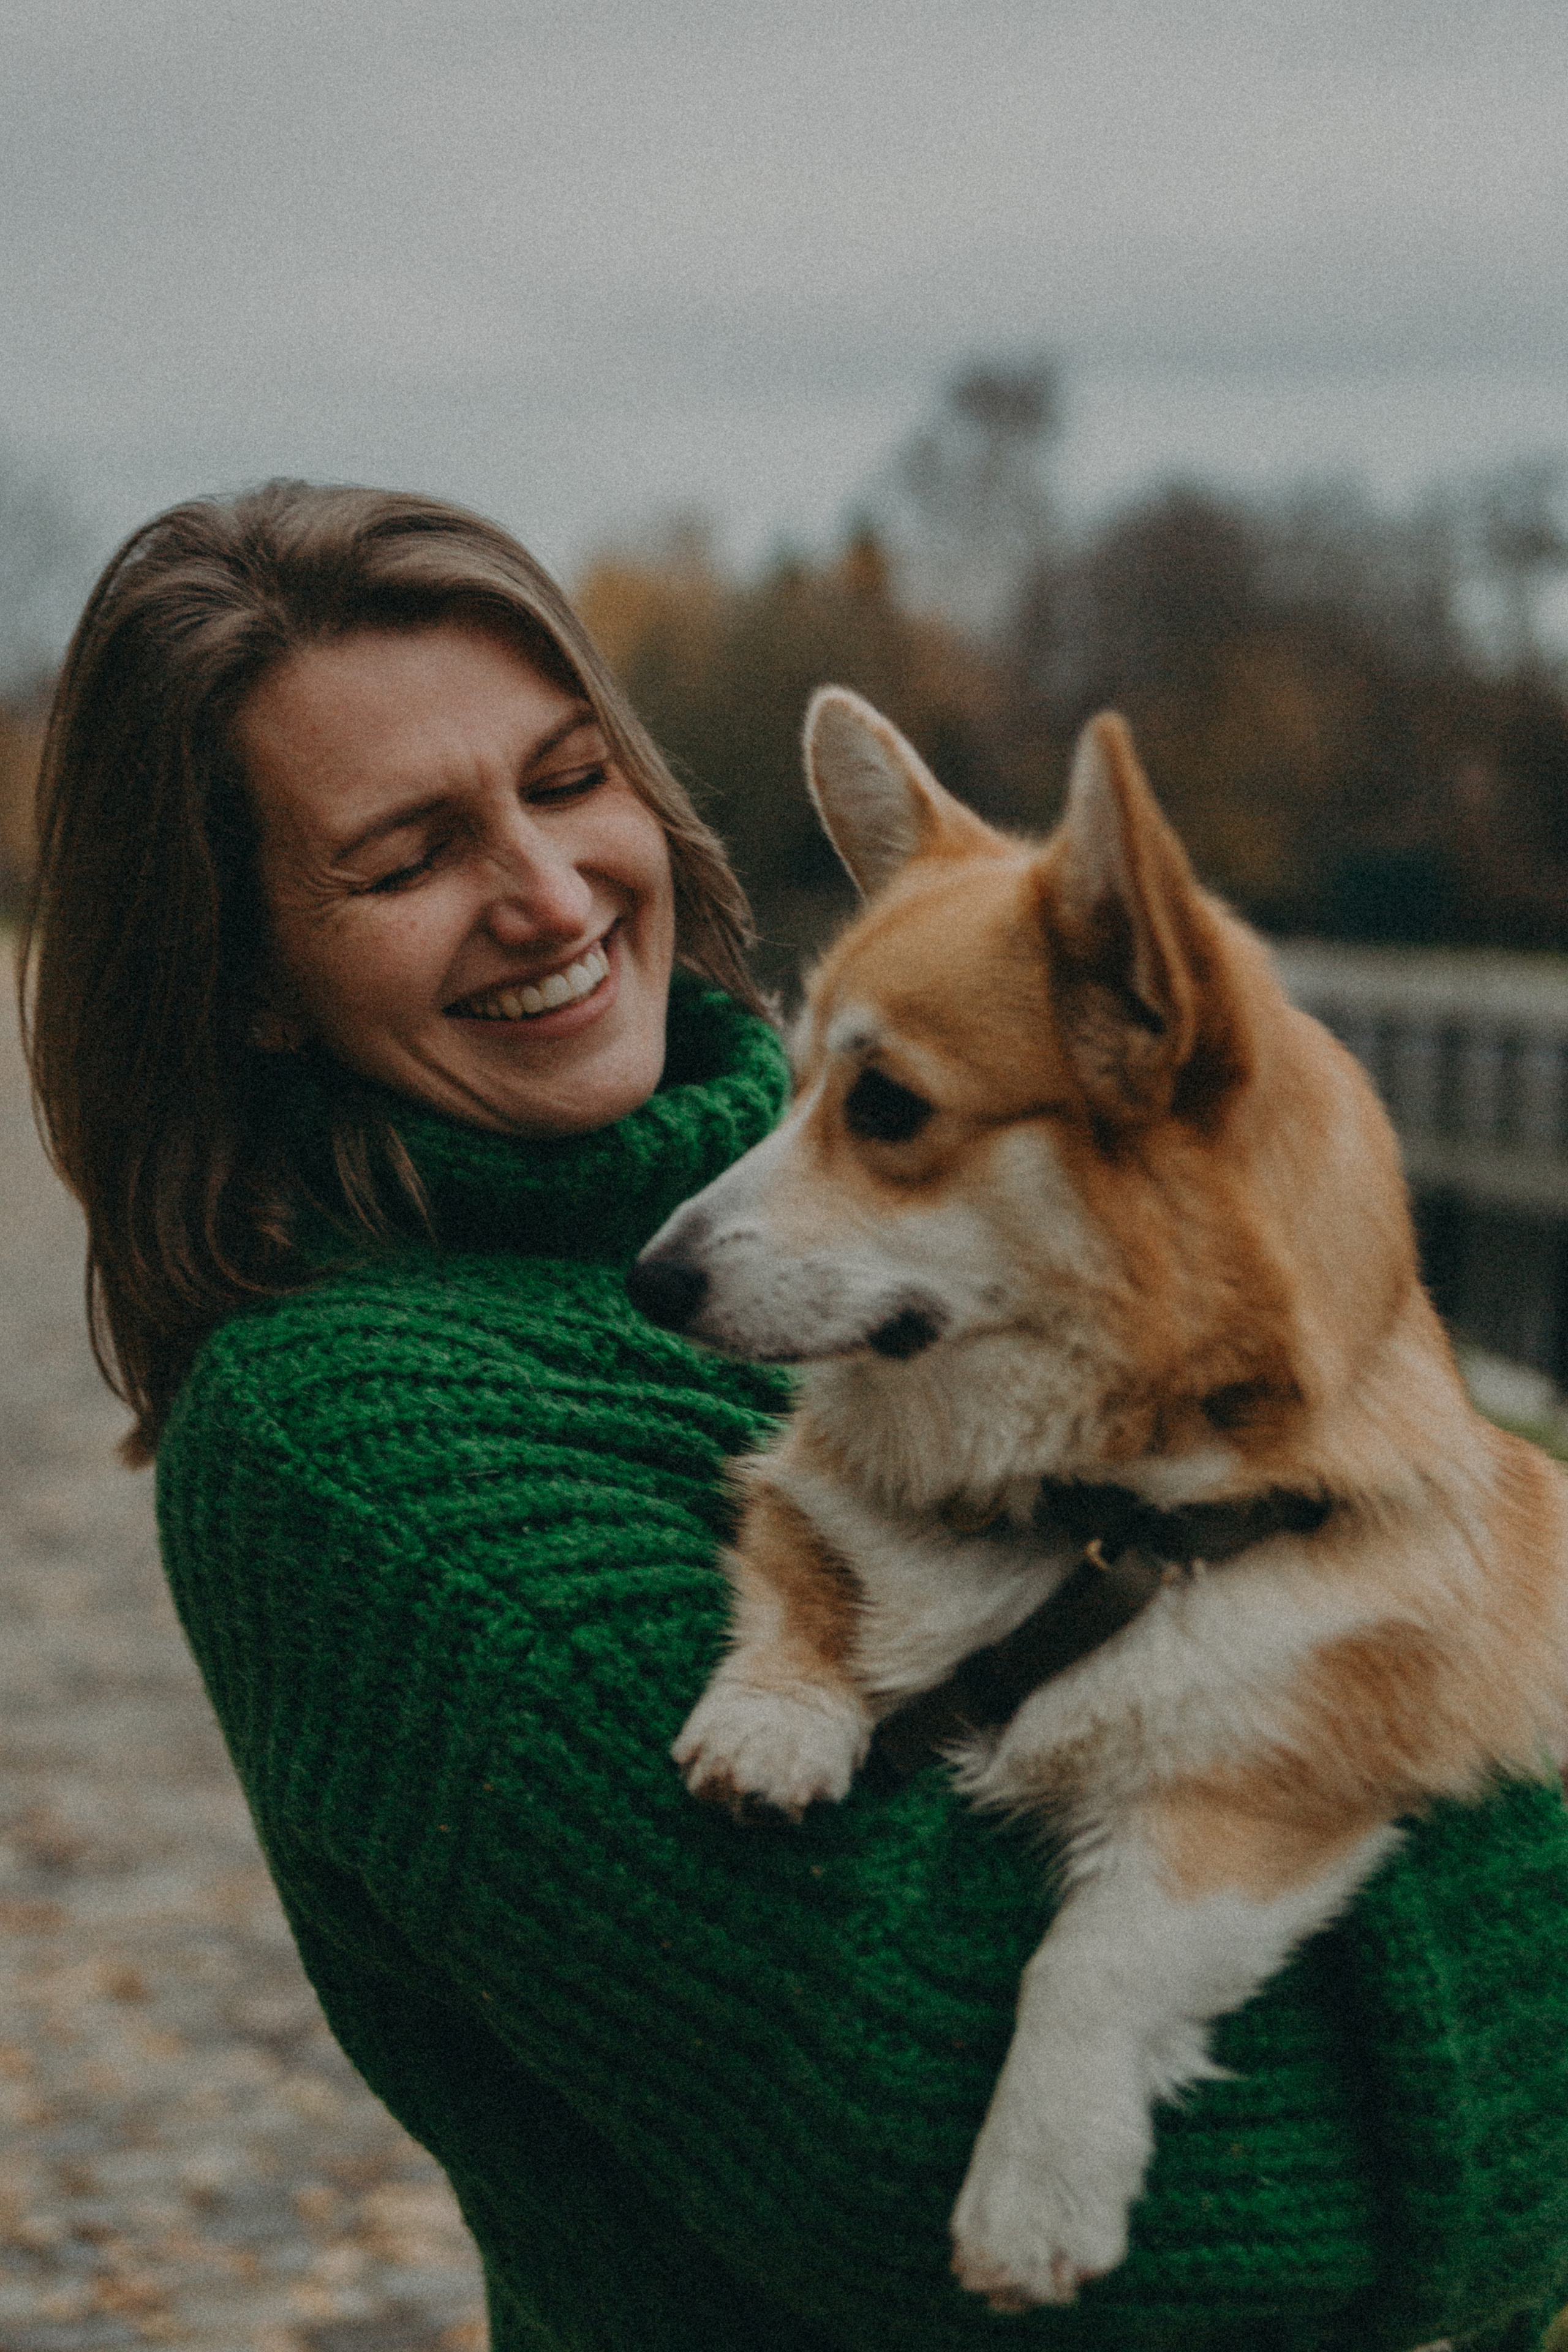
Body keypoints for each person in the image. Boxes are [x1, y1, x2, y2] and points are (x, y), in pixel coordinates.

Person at [19, 479, 1568, 2352]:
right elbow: (1006, 2189)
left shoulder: (945, 1264)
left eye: (569, 779)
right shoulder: (357, 1446)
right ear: (249, 978)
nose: (549, 891)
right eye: (407, 858)